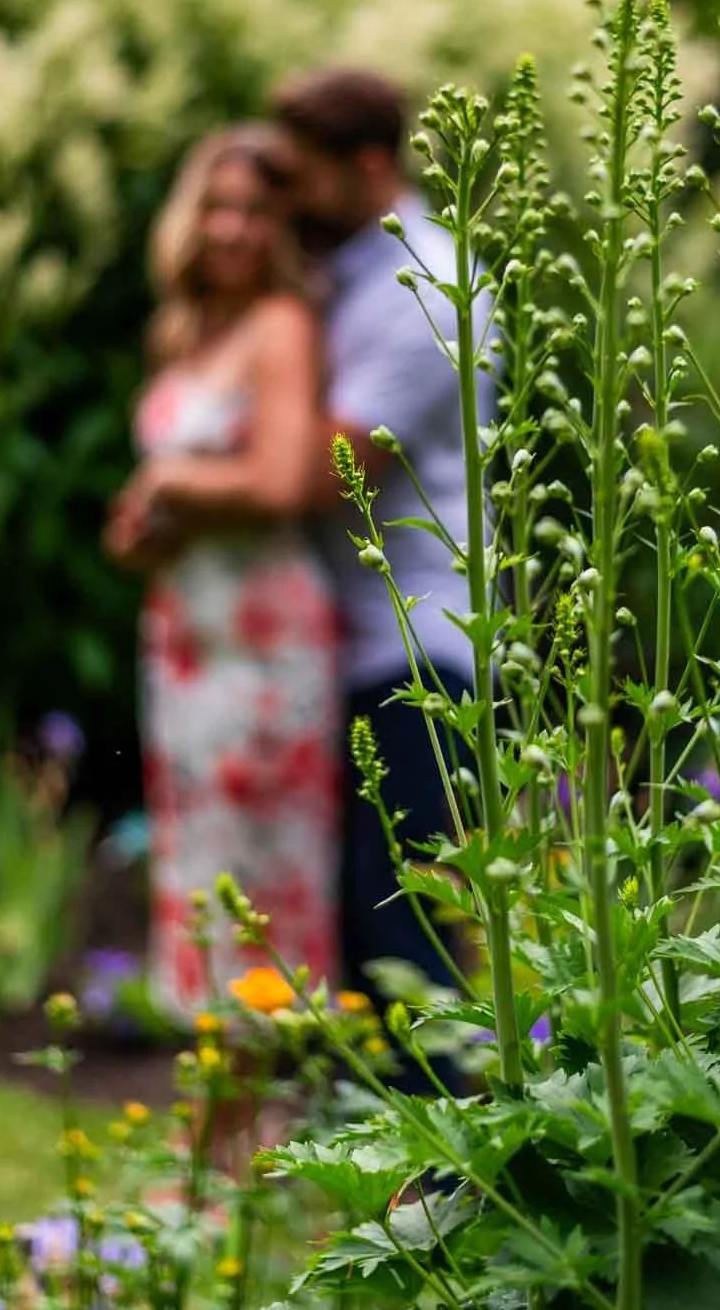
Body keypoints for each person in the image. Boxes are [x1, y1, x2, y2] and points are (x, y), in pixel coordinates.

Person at [103, 126, 339, 1024]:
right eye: (216, 208)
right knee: (198, 872)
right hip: (185, 638)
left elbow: (280, 480)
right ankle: (212, 1130)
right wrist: (141, 528)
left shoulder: (282, 328)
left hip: (263, 645)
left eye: (252, 212)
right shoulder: (186, 332)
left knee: (262, 885)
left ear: (278, 229)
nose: (232, 230)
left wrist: (169, 479)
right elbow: (180, 493)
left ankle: (262, 1126)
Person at [270, 66, 490, 1023]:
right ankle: (384, 1160)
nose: (290, 197)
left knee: (405, 929)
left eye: (301, 173)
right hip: (348, 640)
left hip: (414, 645)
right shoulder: (343, 278)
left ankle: (445, 1171)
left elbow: (329, 469)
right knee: (360, 930)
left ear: (366, 165)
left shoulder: (426, 283)